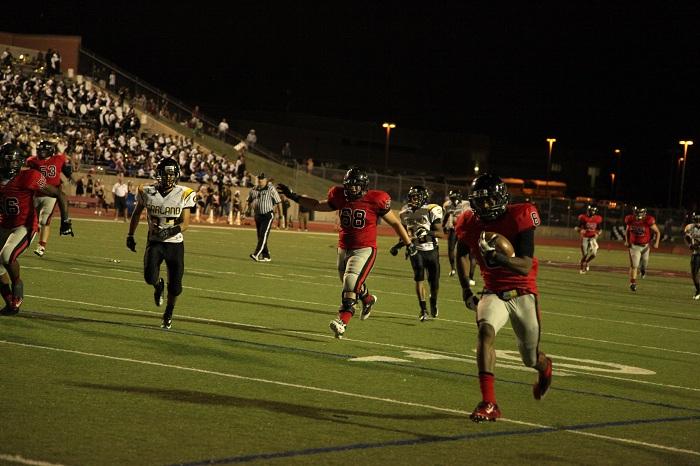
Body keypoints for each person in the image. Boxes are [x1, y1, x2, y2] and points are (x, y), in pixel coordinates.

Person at [454, 173, 552, 423]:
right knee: (485, 333)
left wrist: (499, 258)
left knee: (530, 358)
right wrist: (466, 289)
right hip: (493, 291)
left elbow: (525, 266)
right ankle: (489, 403)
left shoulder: (520, 215)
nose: (484, 206)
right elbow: (461, 254)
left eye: (489, 200)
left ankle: (545, 368)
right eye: (480, 200)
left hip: (523, 293)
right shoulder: (468, 221)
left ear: (501, 198)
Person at [277, 167, 415, 339]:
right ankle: (368, 299)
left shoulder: (376, 199)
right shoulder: (339, 195)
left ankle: (342, 322)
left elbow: (395, 223)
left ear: (364, 186)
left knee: (350, 282)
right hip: (343, 248)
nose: (351, 189)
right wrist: (294, 196)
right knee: (351, 282)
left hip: (364, 249)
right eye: (349, 185)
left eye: (355, 186)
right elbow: (317, 205)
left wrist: (409, 243)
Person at [0, 143, 74, 315]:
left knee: (6, 255)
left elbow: (59, 194)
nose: (10, 164)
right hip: (4, 224)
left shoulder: (28, 176)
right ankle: (11, 303)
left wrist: (65, 221)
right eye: (7, 160)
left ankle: (17, 282)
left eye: (13, 161)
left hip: (23, 226)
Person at [126, 158, 197, 329]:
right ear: (159, 174)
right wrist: (130, 235)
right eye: (166, 174)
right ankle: (159, 285)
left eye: (172, 174)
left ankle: (169, 312)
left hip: (175, 244)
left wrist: (169, 231)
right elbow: (136, 214)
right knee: (149, 277)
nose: (169, 178)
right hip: (155, 242)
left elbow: (185, 223)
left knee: (176, 286)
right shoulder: (146, 191)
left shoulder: (185, 193)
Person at [390, 186, 444, 321]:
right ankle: (423, 309)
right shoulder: (404, 213)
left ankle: (433, 301)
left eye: (416, 197)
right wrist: (398, 246)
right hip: (416, 251)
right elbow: (406, 235)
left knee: (434, 283)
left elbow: (441, 234)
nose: (413, 200)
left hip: (431, 250)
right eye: (412, 197)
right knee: (419, 278)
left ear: (423, 198)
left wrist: (427, 232)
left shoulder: (431, 210)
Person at [26, 140, 73, 258]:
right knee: (30, 220)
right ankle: (26, 241)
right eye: (40, 150)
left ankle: (41, 246)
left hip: (51, 195)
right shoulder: (33, 160)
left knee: (44, 221)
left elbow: (68, 170)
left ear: (50, 151)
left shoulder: (58, 159)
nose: (41, 152)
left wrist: (63, 154)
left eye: (44, 150)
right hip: (36, 193)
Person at [245, 173, 281, 262]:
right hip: (257, 215)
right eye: (259, 179)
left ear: (265, 180)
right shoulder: (254, 189)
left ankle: (256, 254)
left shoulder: (271, 189)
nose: (260, 181)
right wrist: (244, 212)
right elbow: (248, 201)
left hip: (267, 215)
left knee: (263, 235)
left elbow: (278, 201)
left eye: (262, 179)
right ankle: (266, 255)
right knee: (260, 236)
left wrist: (281, 215)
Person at [624, 206, 661, 291]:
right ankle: (632, 283)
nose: (639, 215)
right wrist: (626, 241)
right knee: (634, 265)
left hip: (645, 246)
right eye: (637, 213)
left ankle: (643, 270)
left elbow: (657, 232)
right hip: (634, 246)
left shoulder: (648, 220)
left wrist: (657, 243)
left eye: (641, 213)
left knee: (644, 264)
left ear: (644, 213)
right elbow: (627, 231)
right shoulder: (630, 219)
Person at [443, 190, 475, 283]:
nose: (453, 201)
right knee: (451, 249)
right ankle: (453, 269)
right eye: (452, 198)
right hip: (454, 229)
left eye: (455, 198)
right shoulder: (447, 205)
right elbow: (446, 215)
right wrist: (444, 225)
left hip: (466, 230)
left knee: (471, 254)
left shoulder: (467, 204)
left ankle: (471, 277)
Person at [575, 204, 603, 273]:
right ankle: (581, 267)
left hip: (593, 239)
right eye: (591, 211)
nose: (592, 212)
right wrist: (580, 230)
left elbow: (600, 230)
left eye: (593, 211)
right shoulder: (583, 218)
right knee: (585, 254)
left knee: (593, 254)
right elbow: (576, 227)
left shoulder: (597, 218)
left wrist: (598, 234)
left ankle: (587, 262)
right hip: (585, 237)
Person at [682, 212, 700, 300]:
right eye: (696, 220)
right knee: (694, 273)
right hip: (696, 253)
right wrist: (690, 245)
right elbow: (686, 237)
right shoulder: (690, 227)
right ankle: (698, 290)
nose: (698, 222)